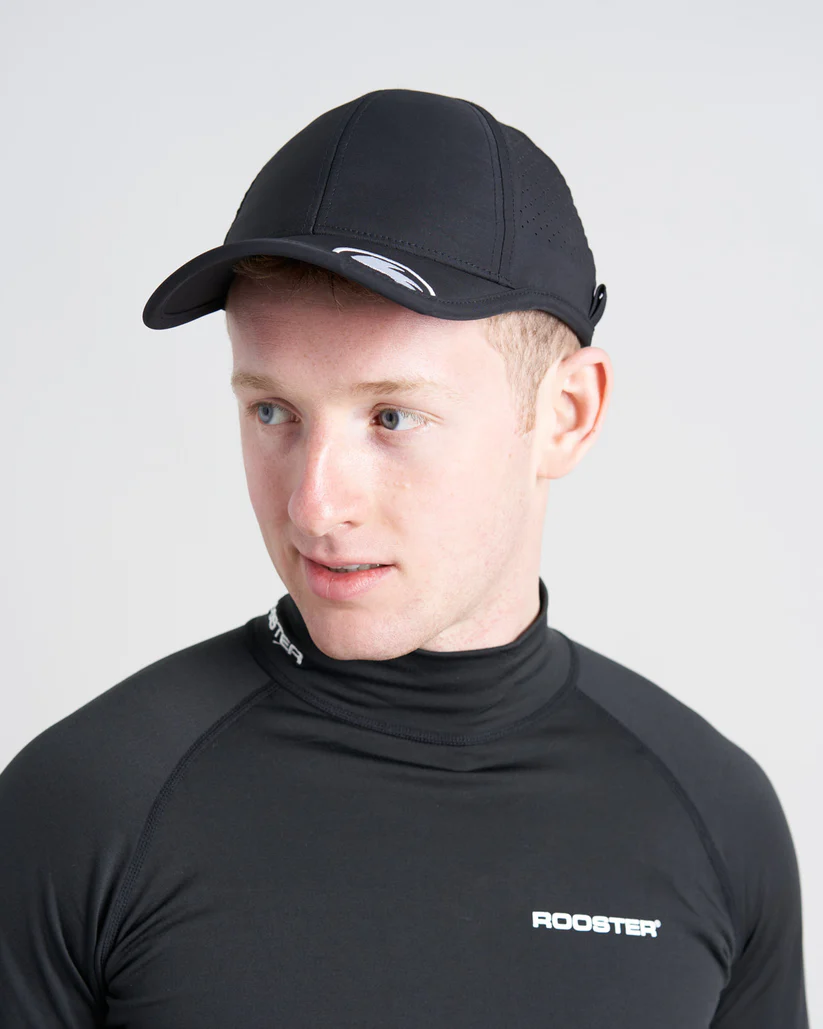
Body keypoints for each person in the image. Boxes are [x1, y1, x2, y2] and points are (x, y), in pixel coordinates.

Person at [0, 88, 807, 1028]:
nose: (313, 504)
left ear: (566, 415)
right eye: (272, 411)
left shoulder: (715, 818)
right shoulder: (83, 808)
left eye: (391, 416)